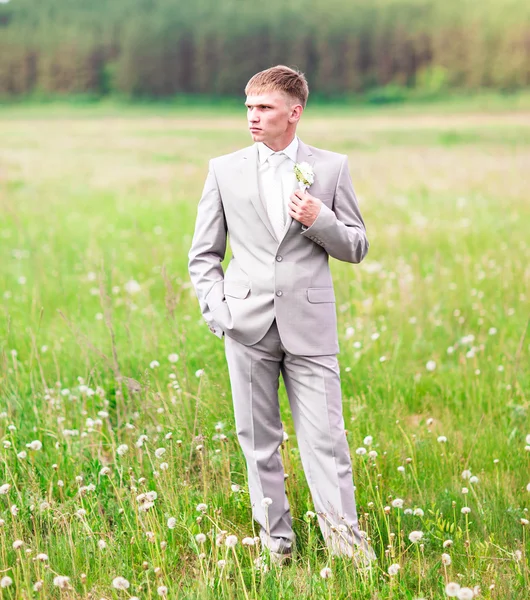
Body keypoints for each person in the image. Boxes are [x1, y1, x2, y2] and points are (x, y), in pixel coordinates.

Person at [188, 65, 375, 567]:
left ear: (294, 113)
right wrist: (218, 310)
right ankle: (278, 547)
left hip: (310, 328)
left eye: (264, 108)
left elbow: (356, 246)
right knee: (258, 443)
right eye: (248, 107)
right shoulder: (223, 169)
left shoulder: (331, 167)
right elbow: (204, 254)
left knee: (326, 442)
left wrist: (321, 220)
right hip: (245, 324)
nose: (252, 116)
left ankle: (348, 550)